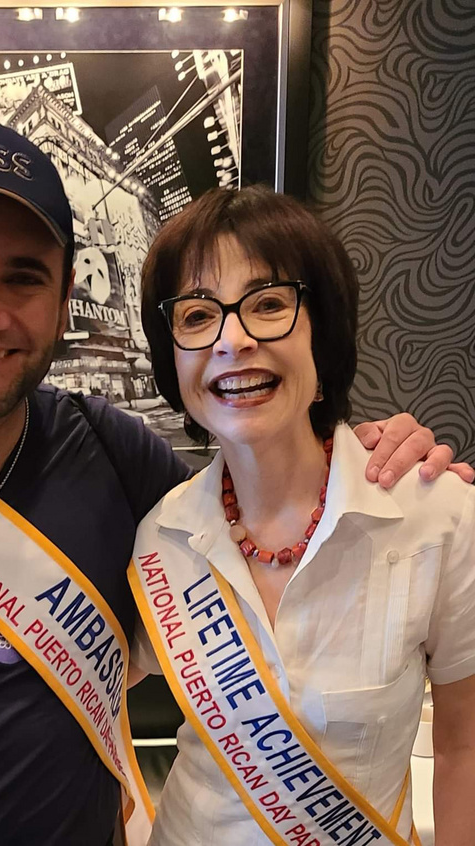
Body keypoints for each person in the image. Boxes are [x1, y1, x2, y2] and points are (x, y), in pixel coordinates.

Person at [0, 118, 466, 846]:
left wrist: (385, 458)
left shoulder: (109, 452)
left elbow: (262, 482)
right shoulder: (158, 514)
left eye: (25, 275)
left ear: (66, 301)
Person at [130, 185, 475, 846]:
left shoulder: (438, 517)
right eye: (197, 316)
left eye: (268, 304)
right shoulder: (161, 536)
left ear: (325, 330)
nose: (232, 340)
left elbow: (466, 749)